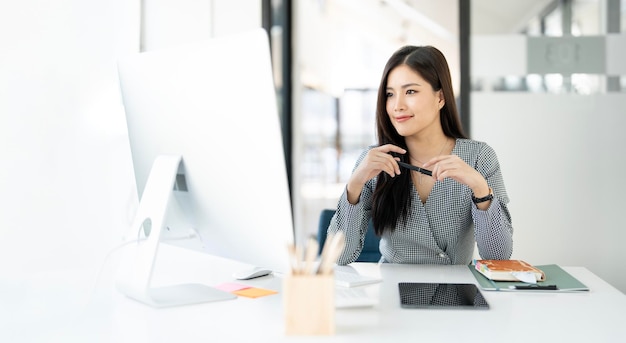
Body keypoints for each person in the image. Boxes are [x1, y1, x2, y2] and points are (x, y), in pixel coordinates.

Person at [327, 45, 513, 265]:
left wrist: (480, 189)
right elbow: (338, 257)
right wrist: (355, 183)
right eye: (389, 94)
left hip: (457, 296)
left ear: (441, 97)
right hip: (392, 294)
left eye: (410, 92)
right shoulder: (375, 160)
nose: (397, 106)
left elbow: (498, 257)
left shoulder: (479, 157)